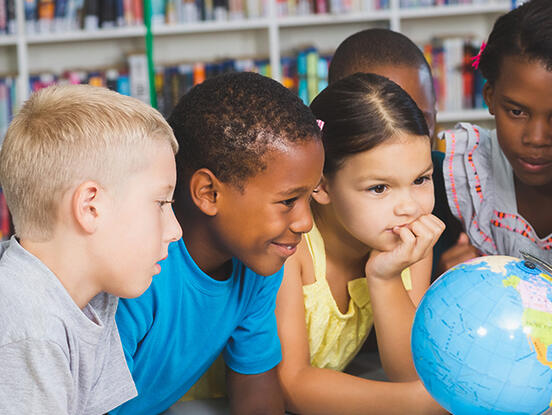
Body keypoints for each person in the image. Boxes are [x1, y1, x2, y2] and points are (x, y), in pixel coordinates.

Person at [112, 72, 325, 414]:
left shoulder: (259, 266)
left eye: (309, 196)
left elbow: (255, 388)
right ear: (209, 193)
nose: (305, 222)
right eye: (288, 201)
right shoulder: (134, 274)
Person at [0, 85, 181, 414]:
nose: (176, 230)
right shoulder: (30, 330)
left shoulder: (91, 300)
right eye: (161, 203)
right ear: (90, 207)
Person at [274, 73, 445, 414]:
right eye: (379, 188)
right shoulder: (289, 246)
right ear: (320, 186)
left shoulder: (408, 243)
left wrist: (385, 278)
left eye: (420, 179)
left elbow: (409, 372)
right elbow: (289, 384)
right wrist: (423, 402)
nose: (409, 207)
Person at [442, 0, 552, 272]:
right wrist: (446, 277)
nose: (537, 138)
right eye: (516, 112)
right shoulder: (467, 175)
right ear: (490, 97)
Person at [326, 28, 460, 277]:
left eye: (415, 118)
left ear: (435, 113)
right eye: (372, 120)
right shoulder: (300, 229)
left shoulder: (455, 182)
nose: (397, 131)